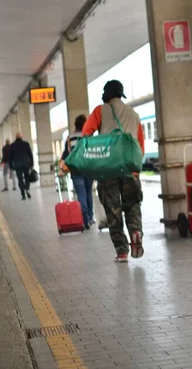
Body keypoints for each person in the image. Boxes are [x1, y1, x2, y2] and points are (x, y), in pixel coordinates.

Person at [82, 80, 145, 263]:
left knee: (113, 209)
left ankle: (122, 251)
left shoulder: (100, 111)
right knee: (132, 204)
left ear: (106, 95)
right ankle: (135, 232)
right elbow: (140, 145)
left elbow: (86, 133)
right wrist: (135, 171)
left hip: (108, 168)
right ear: (121, 95)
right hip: (130, 168)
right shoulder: (134, 114)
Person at [61, 115, 94, 230]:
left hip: (75, 170)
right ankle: (90, 218)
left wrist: (61, 167)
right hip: (88, 168)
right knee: (89, 193)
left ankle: (84, 220)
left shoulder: (70, 138)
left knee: (81, 195)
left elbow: (66, 154)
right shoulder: (88, 136)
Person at [10, 132, 34, 200]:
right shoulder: (26, 144)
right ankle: (27, 189)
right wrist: (32, 164)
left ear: (16, 137)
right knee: (27, 178)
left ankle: (23, 194)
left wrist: (11, 166)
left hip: (17, 165)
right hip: (26, 164)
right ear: (21, 137)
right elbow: (30, 154)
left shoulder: (12, 145)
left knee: (20, 179)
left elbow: (10, 157)